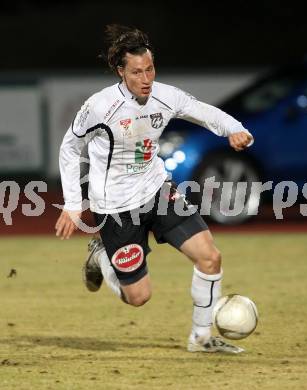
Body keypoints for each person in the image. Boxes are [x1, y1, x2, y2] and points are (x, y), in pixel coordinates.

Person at [55, 24, 253, 354]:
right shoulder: (100, 107)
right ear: (121, 72)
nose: (145, 78)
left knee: (210, 257)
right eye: (136, 72)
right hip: (116, 207)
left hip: (157, 191)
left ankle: (201, 338)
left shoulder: (165, 95)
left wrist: (234, 129)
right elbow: (70, 148)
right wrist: (73, 203)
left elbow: (203, 112)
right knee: (139, 297)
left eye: (149, 69)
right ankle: (101, 255)